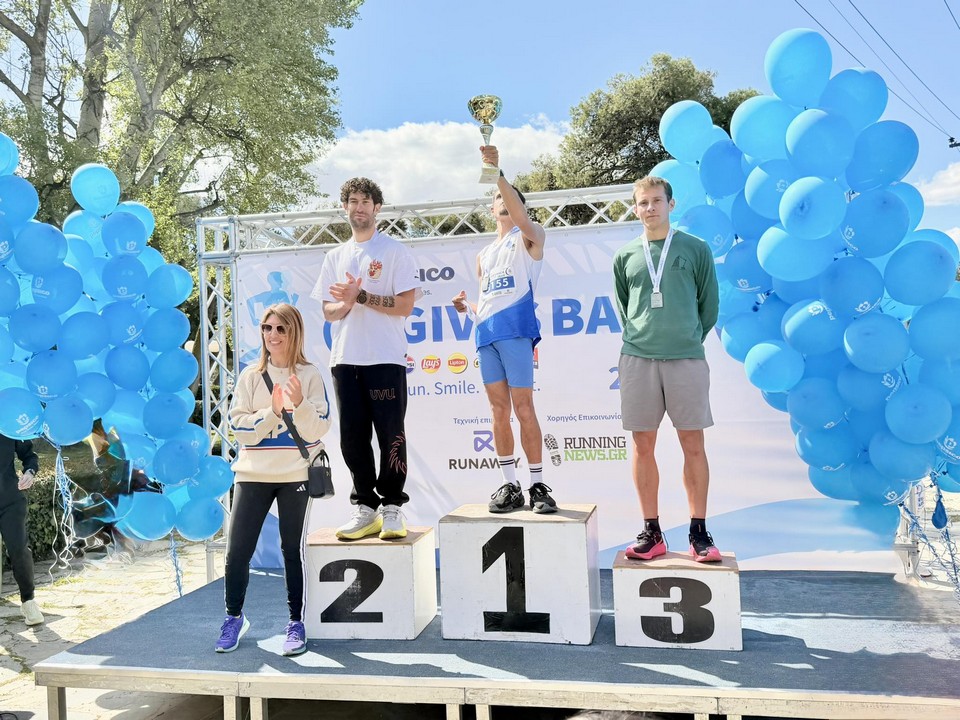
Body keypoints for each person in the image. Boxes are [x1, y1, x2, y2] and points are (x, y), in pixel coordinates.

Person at [612, 176, 720, 563]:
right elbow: (625, 308)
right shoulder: (625, 255)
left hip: (685, 358)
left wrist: (685, 338)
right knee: (643, 446)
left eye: (657, 201)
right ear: (635, 208)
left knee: (693, 445)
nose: (650, 208)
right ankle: (652, 531)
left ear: (671, 205)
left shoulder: (695, 249)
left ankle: (699, 532)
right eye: (643, 203)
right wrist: (647, 337)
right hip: (638, 358)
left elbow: (709, 306)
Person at [312, 177, 421, 540]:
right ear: (345, 207)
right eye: (353, 201)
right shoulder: (334, 257)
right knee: (352, 439)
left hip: (385, 357)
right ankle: (365, 507)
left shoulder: (394, 252)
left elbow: (405, 305)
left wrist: (361, 297)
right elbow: (328, 312)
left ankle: (392, 507)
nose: (359, 208)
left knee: (391, 434)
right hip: (345, 359)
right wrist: (346, 302)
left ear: (377, 208)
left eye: (365, 202)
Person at [219, 303, 331, 655]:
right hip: (252, 474)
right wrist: (272, 412)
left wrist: (299, 404)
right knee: (238, 550)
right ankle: (234, 617)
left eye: (281, 328)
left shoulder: (309, 375)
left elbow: (318, 429)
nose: (272, 335)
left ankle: (296, 623)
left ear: (294, 332)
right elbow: (239, 429)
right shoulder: (250, 376)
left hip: (295, 473)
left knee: (291, 550)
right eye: (267, 328)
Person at [452, 145, 556, 514]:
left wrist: (497, 174)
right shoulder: (482, 255)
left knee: (524, 407)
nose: (501, 201)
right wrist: (468, 309)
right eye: (496, 198)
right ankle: (509, 484)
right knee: (498, 411)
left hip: (517, 330)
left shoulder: (530, 235)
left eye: (507, 198)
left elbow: (520, 216)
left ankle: (537, 484)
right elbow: (489, 301)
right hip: (486, 335)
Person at [0, 434, 43, 626]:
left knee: (19, 549)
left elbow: (29, 455)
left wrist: (30, 472)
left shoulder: (8, 425)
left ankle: (28, 601)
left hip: (10, 501)